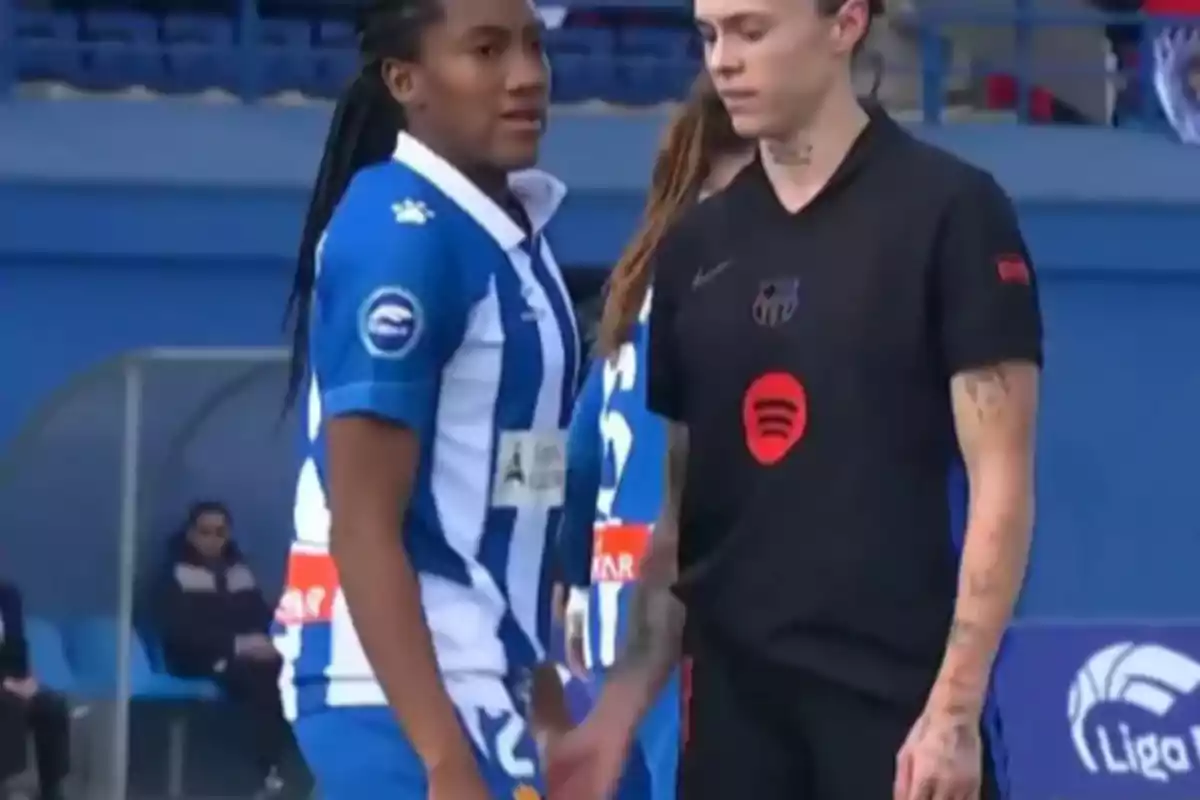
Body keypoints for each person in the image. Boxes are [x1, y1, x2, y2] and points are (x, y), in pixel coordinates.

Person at [548, 0, 1043, 799]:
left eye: (752, 31)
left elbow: (1003, 487)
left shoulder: (951, 214)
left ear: (845, 23)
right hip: (735, 725)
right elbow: (677, 525)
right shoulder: (694, 252)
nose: (723, 61)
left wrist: (953, 708)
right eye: (709, 35)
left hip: (893, 711)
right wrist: (614, 715)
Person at [275, 0, 578, 797]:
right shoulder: (399, 235)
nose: (526, 78)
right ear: (406, 79)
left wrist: (538, 679)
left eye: (533, 47)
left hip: (493, 676)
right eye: (485, 50)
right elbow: (364, 522)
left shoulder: (513, 234)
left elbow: (525, 475)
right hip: (392, 692)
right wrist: (441, 759)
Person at [557, 75, 750, 800]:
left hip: (615, 622)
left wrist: (574, 582)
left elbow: (577, 459)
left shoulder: (635, 293)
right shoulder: (741, 279)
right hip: (690, 628)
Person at [155, 501, 290, 797]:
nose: (213, 539)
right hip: (195, 658)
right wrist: (237, 646)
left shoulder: (238, 571)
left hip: (248, 654)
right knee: (263, 676)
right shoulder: (175, 573)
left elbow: (260, 615)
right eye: (205, 531)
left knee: (287, 670)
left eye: (220, 532)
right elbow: (181, 633)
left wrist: (270, 642)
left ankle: (293, 769)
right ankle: (267, 771)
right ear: (191, 534)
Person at [0, 581, 69, 800]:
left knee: (51, 705)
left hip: (11, 680)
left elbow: (18, 648)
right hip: (4, 687)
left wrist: (28, 680)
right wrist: (5, 683)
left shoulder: (8, 597)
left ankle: (52, 789)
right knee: (8, 704)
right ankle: (6, 785)